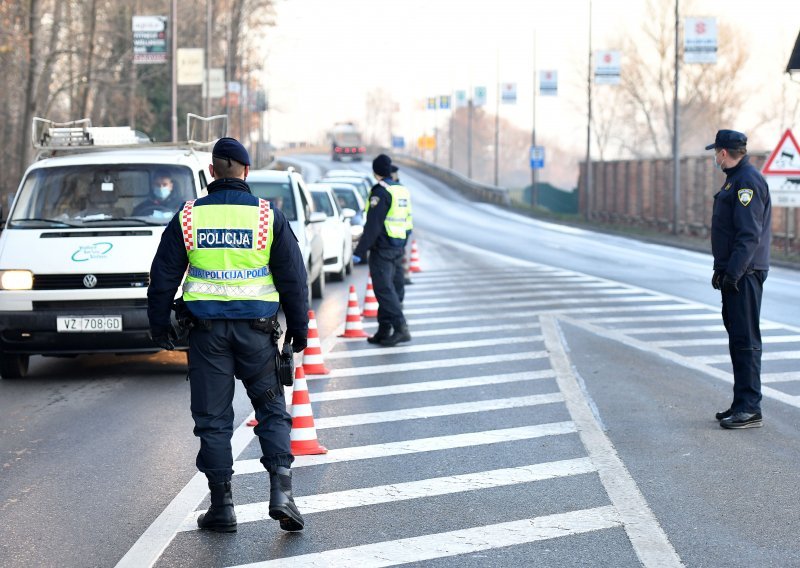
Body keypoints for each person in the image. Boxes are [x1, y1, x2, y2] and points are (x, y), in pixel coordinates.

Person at [147, 137, 309, 532]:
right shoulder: (267, 217)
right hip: (258, 335)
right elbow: (293, 278)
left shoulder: (188, 217)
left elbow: (163, 276)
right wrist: (299, 331)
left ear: (211, 172)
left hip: (206, 337)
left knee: (214, 421)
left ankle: (222, 508)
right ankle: (282, 495)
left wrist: (158, 324)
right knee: (271, 411)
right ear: (247, 172)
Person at [706, 129, 771, 429]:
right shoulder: (736, 179)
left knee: (746, 341)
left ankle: (750, 407)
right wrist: (722, 270)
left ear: (723, 152)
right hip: (735, 273)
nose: (714, 157)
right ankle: (740, 403)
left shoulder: (747, 182)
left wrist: (732, 273)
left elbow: (748, 235)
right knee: (738, 340)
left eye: (715, 152)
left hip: (745, 274)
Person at [353, 154, 412, 347]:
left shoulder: (381, 191)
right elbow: (408, 222)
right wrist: (402, 242)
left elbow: (373, 225)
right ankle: (384, 329)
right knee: (392, 288)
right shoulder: (402, 191)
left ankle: (401, 328)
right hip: (398, 247)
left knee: (384, 290)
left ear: (375, 171)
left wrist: (359, 251)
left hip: (383, 249)